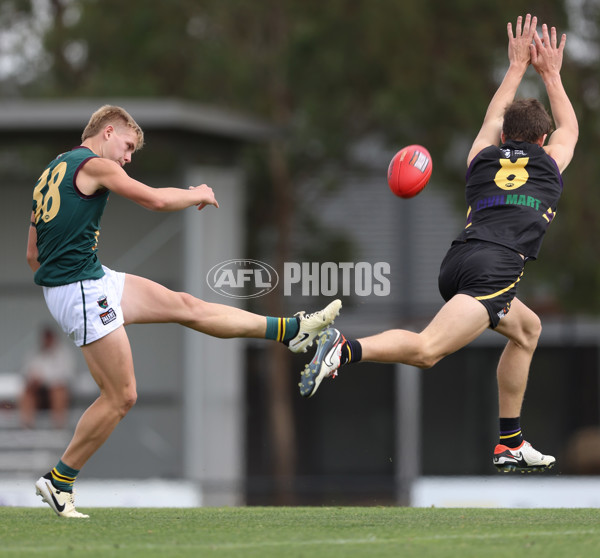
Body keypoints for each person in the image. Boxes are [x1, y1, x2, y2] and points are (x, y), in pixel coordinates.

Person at [27, 105, 342, 518]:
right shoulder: (93, 165)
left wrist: (65, 284)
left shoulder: (53, 170)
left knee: (186, 306)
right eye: (126, 147)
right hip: (82, 287)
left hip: (86, 280)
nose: (126, 158)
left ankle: (291, 329)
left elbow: (33, 254)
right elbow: (155, 200)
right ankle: (59, 480)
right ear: (107, 132)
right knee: (122, 395)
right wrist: (198, 192)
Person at [300, 15, 578, 474]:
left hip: (458, 262)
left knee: (527, 331)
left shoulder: (480, 158)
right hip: (496, 269)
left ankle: (510, 442)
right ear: (542, 141)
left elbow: (492, 117)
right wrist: (551, 72)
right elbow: (570, 126)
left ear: (504, 137)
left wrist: (514, 67)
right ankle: (344, 348)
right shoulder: (550, 162)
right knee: (427, 351)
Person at [19, 325, 77, 430]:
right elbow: (26, 372)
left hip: (57, 391)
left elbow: (67, 376)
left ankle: (58, 425)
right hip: (39, 392)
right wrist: (34, 380)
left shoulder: (64, 354)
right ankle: (26, 425)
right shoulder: (34, 353)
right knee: (27, 392)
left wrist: (46, 380)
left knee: (58, 390)